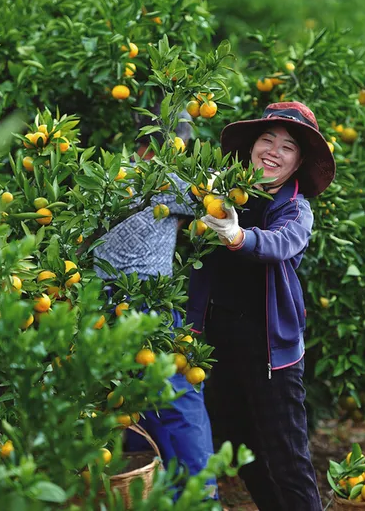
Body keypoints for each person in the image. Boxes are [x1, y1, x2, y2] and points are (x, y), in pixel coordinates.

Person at [187, 101, 336, 510]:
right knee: (242, 452)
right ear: (252, 146)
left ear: (298, 161)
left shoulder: (294, 208)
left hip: (270, 351)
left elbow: (280, 242)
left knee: (288, 457)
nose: (273, 150)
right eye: (267, 139)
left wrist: (237, 236)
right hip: (217, 345)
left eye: (287, 146)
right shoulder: (221, 192)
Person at [93, 107, 218, 500]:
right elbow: (219, 205)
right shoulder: (169, 181)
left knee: (125, 408)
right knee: (176, 406)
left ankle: (142, 496)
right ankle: (195, 502)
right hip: (145, 303)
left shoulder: (108, 178)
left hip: (98, 307)